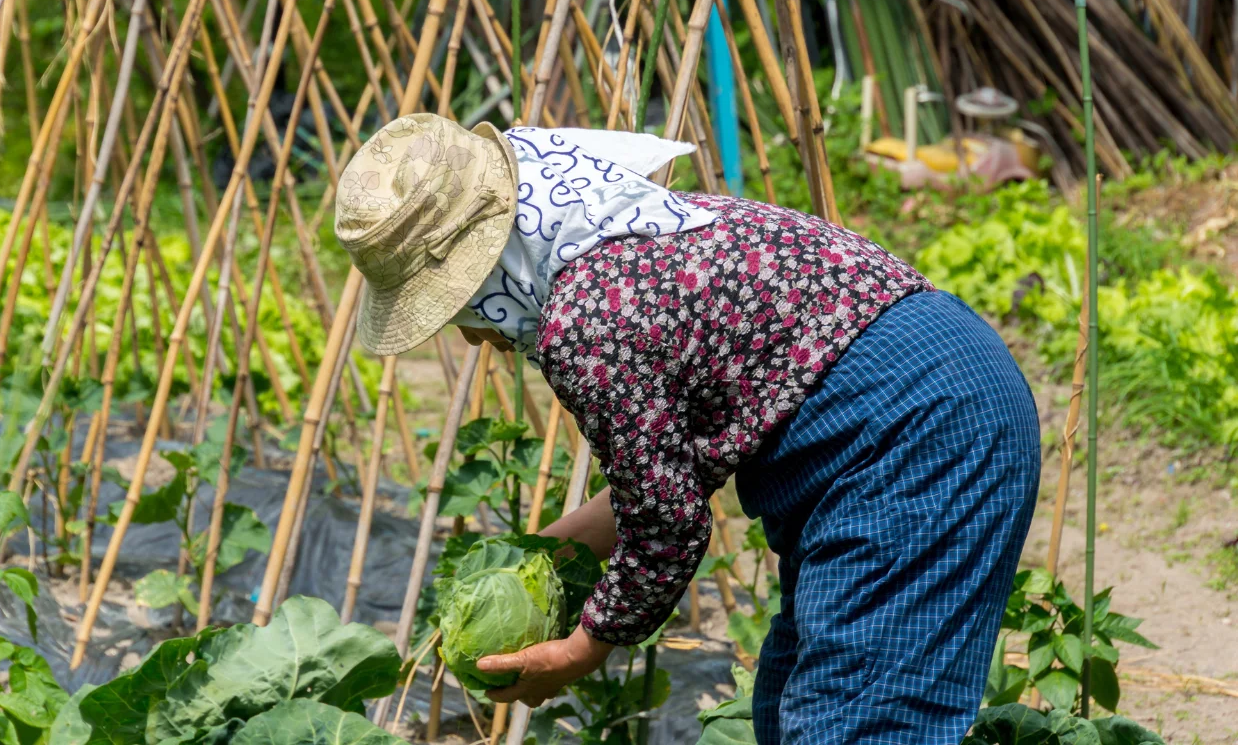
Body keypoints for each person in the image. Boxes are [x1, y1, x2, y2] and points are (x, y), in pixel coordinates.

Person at [335, 114, 1039, 743]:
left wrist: (582, 648)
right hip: (931, 395)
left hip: (918, 436)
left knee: (855, 723)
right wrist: (535, 558)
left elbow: (667, 525)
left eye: (461, 309)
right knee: (792, 704)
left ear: (493, 272)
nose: (471, 339)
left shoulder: (591, 321)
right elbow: (661, 480)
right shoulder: (620, 237)